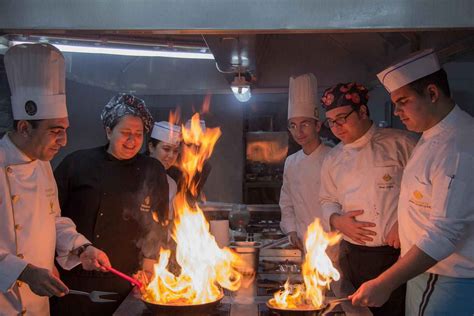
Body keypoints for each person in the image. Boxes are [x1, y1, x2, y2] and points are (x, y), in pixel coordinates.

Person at [350, 49, 474, 315]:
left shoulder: (458, 145)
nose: (397, 111)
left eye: (403, 101)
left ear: (432, 93)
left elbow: (445, 232)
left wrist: (386, 282)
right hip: (425, 273)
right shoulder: (431, 135)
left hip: (445, 278)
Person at [0, 43, 110, 315]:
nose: (64, 141)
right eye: (55, 131)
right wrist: (24, 272)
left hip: (38, 305)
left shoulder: (42, 164)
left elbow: (53, 220)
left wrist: (81, 247)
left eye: (66, 130)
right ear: (25, 127)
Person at [50, 94, 169, 316]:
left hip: (126, 279)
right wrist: (49, 265)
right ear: (108, 131)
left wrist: (149, 267)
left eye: (138, 135)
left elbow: (159, 223)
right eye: (125, 134)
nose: (132, 141)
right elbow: (50, 218)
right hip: (76, 276)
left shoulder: (152, 170)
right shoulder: (77, 163)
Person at [319, 82, 417, 315]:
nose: (336, 127)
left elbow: (425, 193)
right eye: (331, 122)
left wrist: (404, 221)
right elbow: (327, 199)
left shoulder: (401, 143)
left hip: (396, 255)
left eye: (342, 118)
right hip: (352, 254)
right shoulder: (333, 158)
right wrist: (336, 219)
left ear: (362, 111)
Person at [279, 73, 332, 251]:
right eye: (293, 125)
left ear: (318, 126)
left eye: (305, 124)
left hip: (331, 243)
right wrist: (291, 230)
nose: (298, 131)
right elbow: (286, 201)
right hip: (302, 242)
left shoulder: (334, 158)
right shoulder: (291, 162)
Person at [148, 121, 182, 215]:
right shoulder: (134, 174)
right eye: (166, 149)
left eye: (175, 151)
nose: (171, 156)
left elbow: (166, 221)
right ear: (151, 147)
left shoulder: (171, 184)